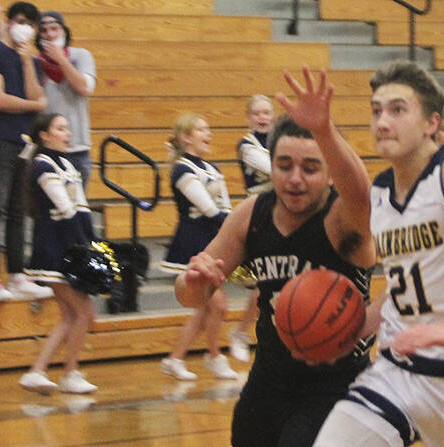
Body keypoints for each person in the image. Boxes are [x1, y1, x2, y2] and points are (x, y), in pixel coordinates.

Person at [312, 60, 444, 447]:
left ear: (431, 123)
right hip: (396, 371)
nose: (382, 122)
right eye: (377, 111)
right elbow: (405, 285)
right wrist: (351, 328)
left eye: (397, 110)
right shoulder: (380, 191)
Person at [174, 67, 377, 447]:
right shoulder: (252, 214)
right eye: (284, 166)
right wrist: (195, 282)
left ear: (330, 172)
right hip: (270, 374)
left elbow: (363, 196)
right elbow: (188, 295)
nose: (295, 178)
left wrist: (325, 131)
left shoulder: (343, 218)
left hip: (336, 382)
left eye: (311, 168)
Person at [17, 113, 98, 395]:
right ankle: (70, 373)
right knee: (83, 313)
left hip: (71, 245)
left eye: (67, 127)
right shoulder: (42, 165)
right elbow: (65, 208)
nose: (67, 133)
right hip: (55, 248)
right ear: (45, 136)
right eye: (60, 128)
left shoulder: (67, 164)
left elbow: (83, 209)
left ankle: (37, 372)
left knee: (71, 316)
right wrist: (84, 247)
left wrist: (94, 245)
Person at [158, 113, 238, 382]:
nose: (209, 134)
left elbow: (225, 209)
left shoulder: (212, 168)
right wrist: (242, 224)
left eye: (208, 129)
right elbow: (209, 209)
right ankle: (214, 356)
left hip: (212, 241)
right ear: (186, 137)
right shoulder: (182, 169)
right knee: (217, 305)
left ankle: (175, 359)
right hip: (192, 243)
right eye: (202, 130)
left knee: (207, 308)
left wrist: (236, 226)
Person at [0, 1, 53, 301]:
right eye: (21, 21)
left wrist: (26, 62)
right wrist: (34, 105)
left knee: (17, 210)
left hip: (24, 142)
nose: (25, 26)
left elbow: (39, 96)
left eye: (30, 23)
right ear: (10, 22)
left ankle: (16, 274)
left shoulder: (33, 61)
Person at [228, 94, 274, 363]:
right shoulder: (246, 144)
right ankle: (241, 332)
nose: (262, 117)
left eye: (267, 112)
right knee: (265, 280)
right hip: (259, 211)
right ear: (248, 117)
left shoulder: (279, 139)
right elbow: (272, 168)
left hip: (284, 210)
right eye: (256, 113)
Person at [36, 11, 96, 188]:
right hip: (46, 149)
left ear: (64, 31)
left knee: (77, 207)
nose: (50, 34)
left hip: (77, 149)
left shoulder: (81, 56)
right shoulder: (34, 62)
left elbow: (84, 88)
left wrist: (61, 59)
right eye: (44, 30)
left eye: (54, 29)